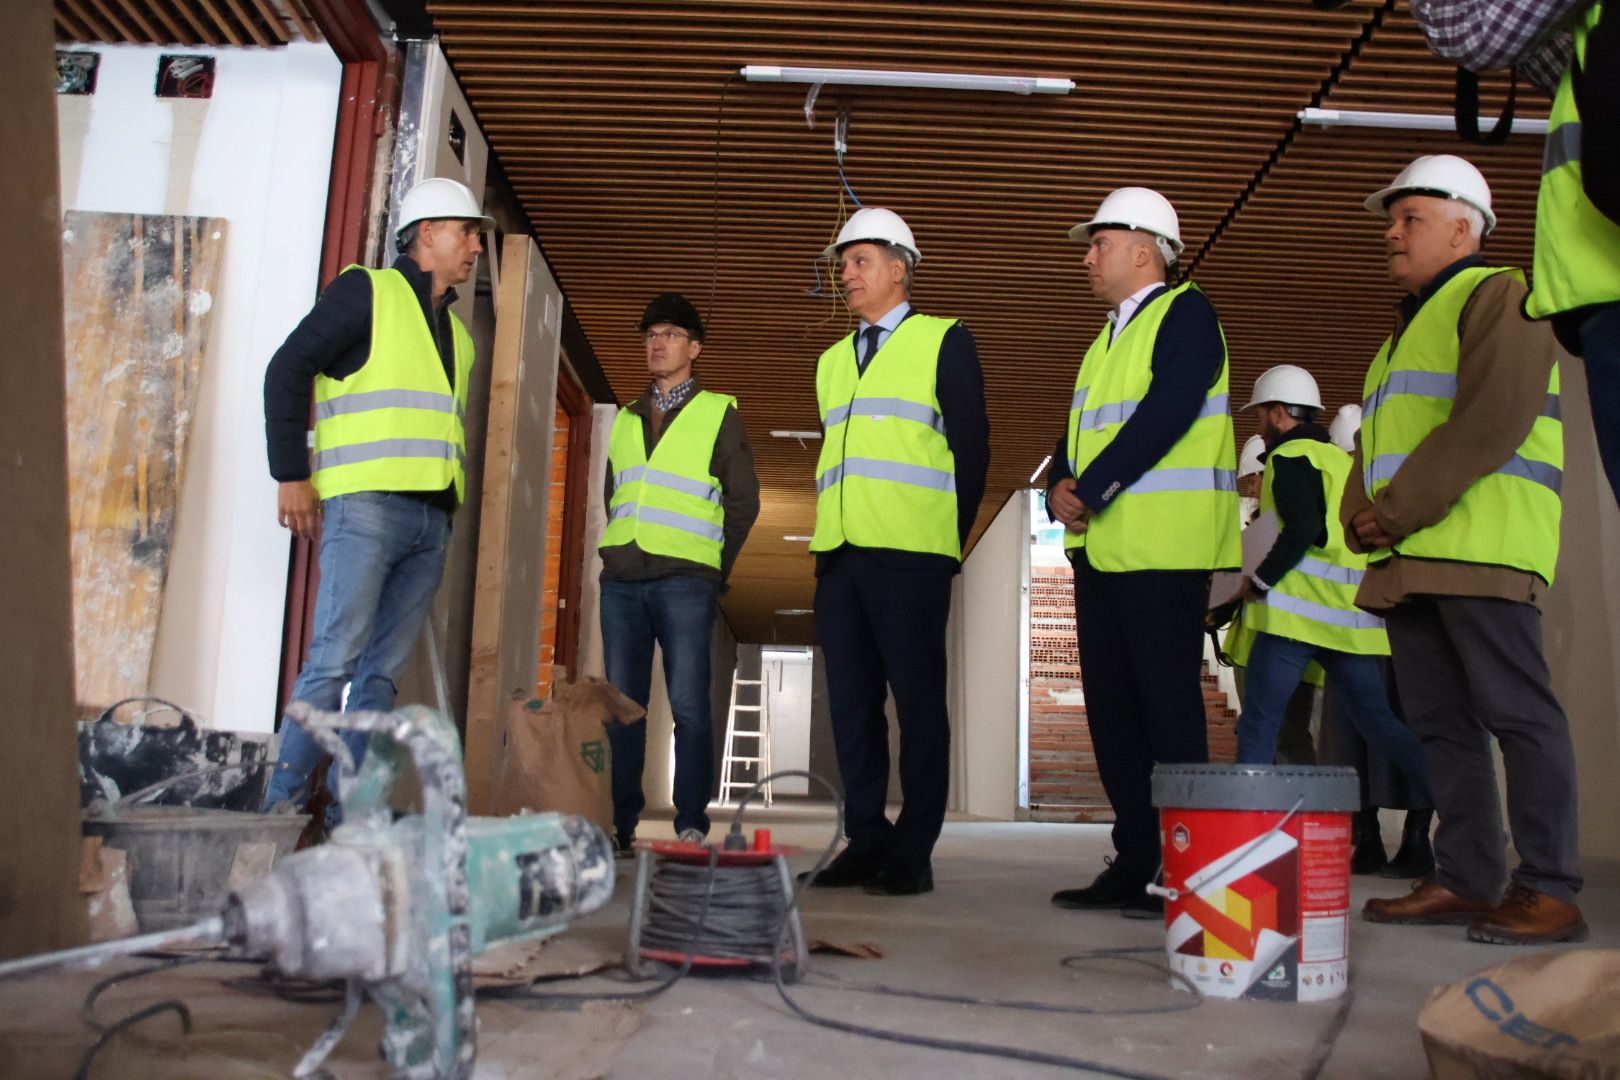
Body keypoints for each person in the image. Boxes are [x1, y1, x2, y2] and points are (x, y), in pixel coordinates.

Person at [1348, 155, 1584, 944]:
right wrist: (1364, 515)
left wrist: (1396, 511)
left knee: (1518, 715)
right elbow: (1375, 442)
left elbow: (1495, 416)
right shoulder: (1404, 328)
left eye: (1409, 216)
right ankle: (1467, 875)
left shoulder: (1498, 293)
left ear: (1464, 225)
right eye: (1393, 218)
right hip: (1412, 555)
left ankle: (1548, 886)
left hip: (1481, 545)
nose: (1392, 231)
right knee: (1442, 724)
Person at [261, 176, 492, 822]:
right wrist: (291, 473)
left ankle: (350, 814)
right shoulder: (369, 291)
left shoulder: (462, 339)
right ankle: (276, 810)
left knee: (380, 680)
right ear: (425, 235)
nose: (475, 245)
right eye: (465, 231)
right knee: (332, 661)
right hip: (365, 509)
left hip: (429, 522)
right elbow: (287, 368)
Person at [1046, 187, 1240, 918]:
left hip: (1163, 551)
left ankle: (1188, 869)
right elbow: (1079, 436)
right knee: (1114, 715)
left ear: (1144, 247)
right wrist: (1058, 488)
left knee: (1166, 713)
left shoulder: (1185, 312)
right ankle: (1136, 859)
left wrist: (1090, 487)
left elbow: (1170, 409)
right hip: (1103, 552)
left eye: (1099, 242)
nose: (1088, 256)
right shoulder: (1104, 340)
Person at [805, 207, 990, 897]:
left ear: (898, 267)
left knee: (917, 706)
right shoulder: (830, 362)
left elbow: (972, 451)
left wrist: (948, 542)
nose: (845, 273)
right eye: (842, 263)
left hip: (912, 554)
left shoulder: (945, 341)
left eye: (858, 260)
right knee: (851, 707)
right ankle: (865, 838)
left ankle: (914, 849)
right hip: (841, 556)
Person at [1231, 366, 1433, 817]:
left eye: (1260, 415)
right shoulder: (1342, 463)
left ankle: (1243, 835)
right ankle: (1466, 813)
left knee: (1260, 726)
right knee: (1382, 727)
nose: (1258, 426)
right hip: (1345, 620)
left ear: (1279, 413)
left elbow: (1304, 528)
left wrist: (1260, 581)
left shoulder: (1289, 458)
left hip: (1294, 619)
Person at [599, 292, 759, 850]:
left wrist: (715, 568)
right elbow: (614, 498)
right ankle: (619, 824)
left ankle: (691, 819)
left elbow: (744, 503)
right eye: (650, 335)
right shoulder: (623, 419)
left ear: (694, 347)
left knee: (689, 704)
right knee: (622, 707)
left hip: (686, 579)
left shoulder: (719, 414)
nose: (657, 343)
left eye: (668, 334)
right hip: (621, 579)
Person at [1318, 403, 1435, 879]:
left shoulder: (1338, 486)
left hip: (1358, 630)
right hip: (1385, 624)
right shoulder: (1370, 485)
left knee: (1351, 743)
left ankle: (1378, 842)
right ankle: (1406, 841)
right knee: (1401, 733)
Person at [1214, 434, 1323, 768]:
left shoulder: (1278, 535)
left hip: (1280, 647)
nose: (1253, 487)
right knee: (1273, 738)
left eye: (1257, 478)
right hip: (1260, 647)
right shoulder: (1262, 530)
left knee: (1285, 740)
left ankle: (1296, 815)